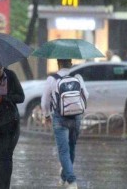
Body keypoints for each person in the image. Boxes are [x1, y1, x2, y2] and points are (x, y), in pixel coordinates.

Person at [41, 59, 89, 189]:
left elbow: (45, 100)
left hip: (60, 118)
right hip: (76, 117)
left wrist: (46, 115)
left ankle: (72, 182)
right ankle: (64, 177)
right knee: (71, 147)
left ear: (58, 64)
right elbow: (86, 95)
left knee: (63, 151)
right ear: (71, 64)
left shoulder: (52, 79)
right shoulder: (78, 77)